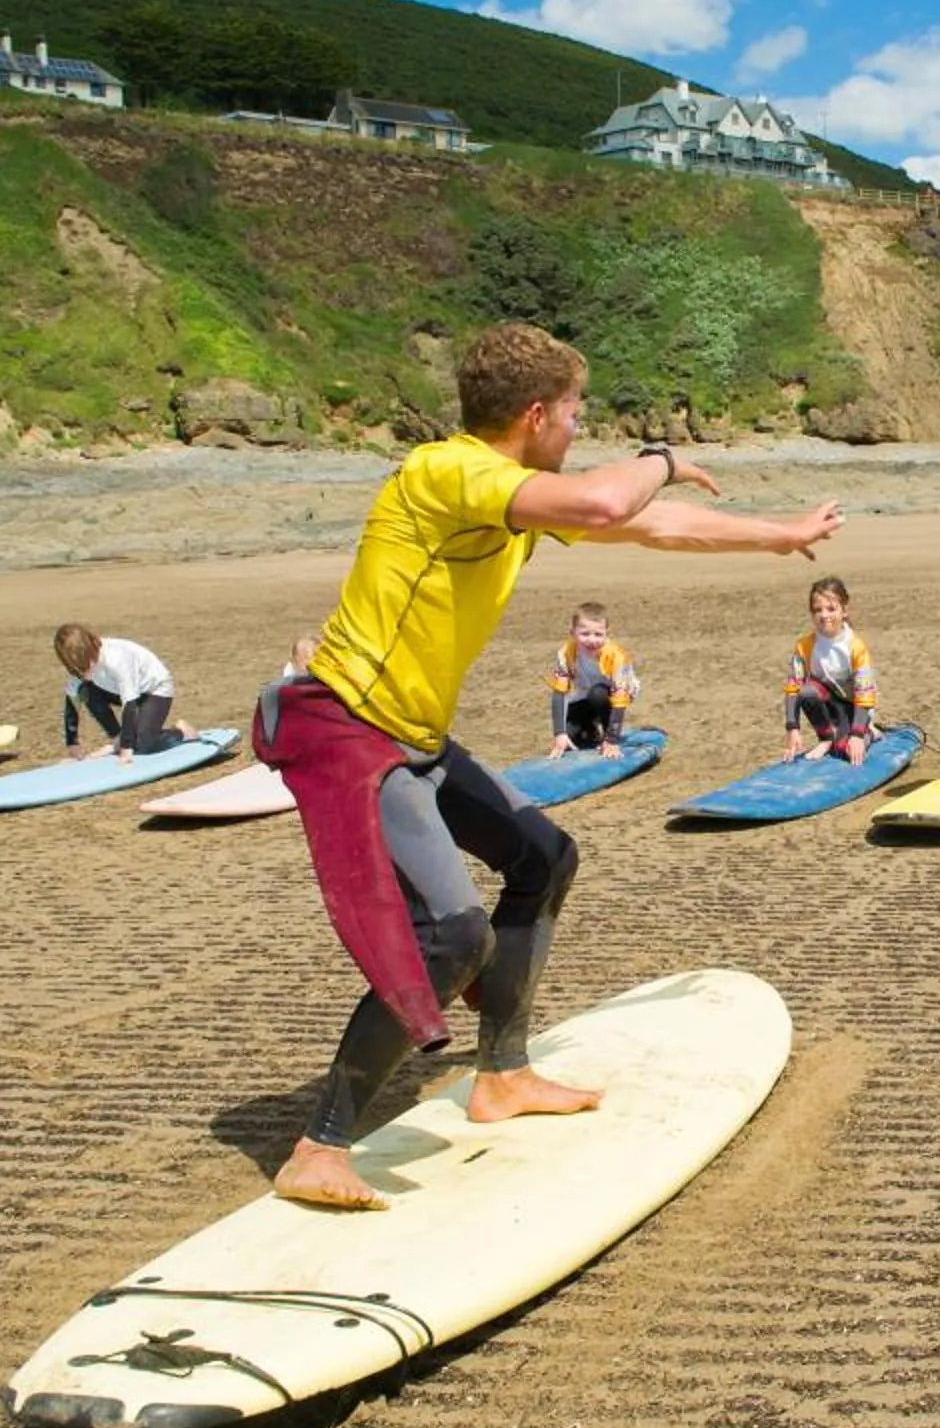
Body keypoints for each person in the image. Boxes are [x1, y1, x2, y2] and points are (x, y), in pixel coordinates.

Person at [257, 321, 840, 1211]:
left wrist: (773, 535)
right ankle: (320, 1143)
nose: (577, 427)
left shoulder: (509, 494)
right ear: (536, 414)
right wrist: (664, 455)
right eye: (574, 411)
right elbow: (619, 500)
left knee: (542, 859)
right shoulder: (445, 473)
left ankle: (502, 1075)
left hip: (414, 736)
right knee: (453, 934)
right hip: (353, 732)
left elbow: (652, 527)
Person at [55, 625, 196, 762]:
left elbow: (130, 705)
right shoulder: (78, 668)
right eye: (79, 668)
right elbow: (72, 701)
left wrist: (126, 747)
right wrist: (72, 742)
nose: (85, 670)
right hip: (118, 690)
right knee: (85, 690)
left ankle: (181, 731)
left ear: (91, 647)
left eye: (87, 663)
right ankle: (116, 737)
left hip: (154, 690)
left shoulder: (116, 658)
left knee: (142, 746)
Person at [784, 577, 882, 764]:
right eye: (817, 610)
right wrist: (792, 727)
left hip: (856, 710)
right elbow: (792, 688)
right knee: (806, 690)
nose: (824, 615)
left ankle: (869, 730)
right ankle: (826, 738)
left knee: (843, 750)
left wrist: (858, 735)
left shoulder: (856, 647)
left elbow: (865, 694)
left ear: (844, 611)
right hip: (830, 707)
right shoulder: (804, 646)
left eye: (831, 609)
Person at [545, 602, 640, 759]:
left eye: (598, 634)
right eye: (585, 634)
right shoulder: (565, 653)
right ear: (572, 632)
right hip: (584, 694)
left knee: (597, 693)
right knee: (570, 735)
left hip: (611, 696)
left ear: (606, 634)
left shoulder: (617, 657)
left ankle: (605, 732)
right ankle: (590, 729)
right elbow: (559, 694)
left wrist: (612, 739)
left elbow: (620, 699)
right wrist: (559, 734)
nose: (591, 640)